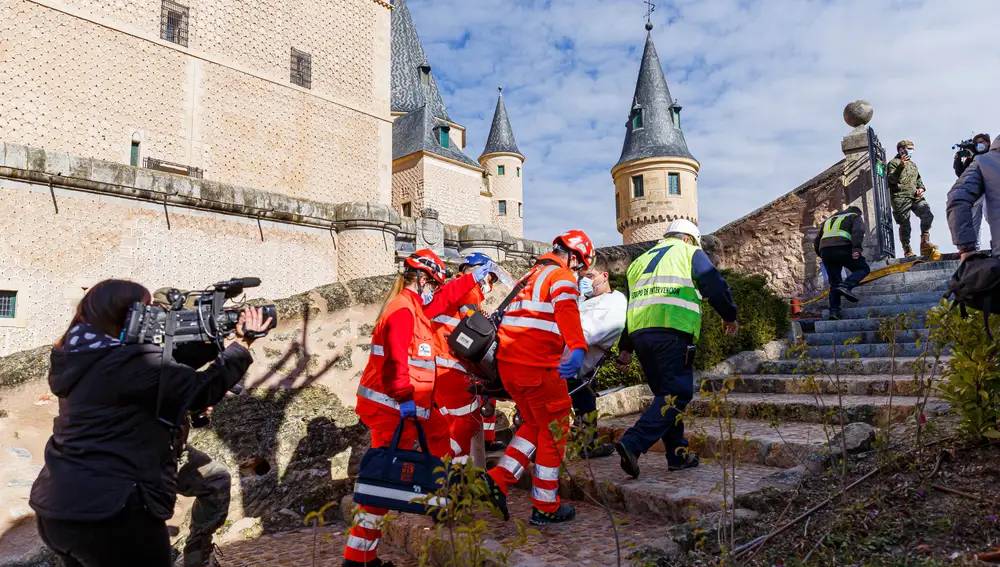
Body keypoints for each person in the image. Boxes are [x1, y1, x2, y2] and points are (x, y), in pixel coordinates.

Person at [29, 279, 269, 567]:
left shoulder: (80, 353)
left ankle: (197, 550)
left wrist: (213, 338)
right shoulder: (131, 361)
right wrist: (241, 344)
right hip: (113, 510)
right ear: (126, 315)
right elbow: (200, 390)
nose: (154, 316)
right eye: (146, 310)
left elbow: (168, 366)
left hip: (58, 507)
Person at [344, 249, 499, 567]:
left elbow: (442, 302)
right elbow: (399, 363)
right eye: (435, 285)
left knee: (443, 440)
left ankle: (442, 499)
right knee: (381, 484)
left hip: (411, 406)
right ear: (424, 280)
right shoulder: (403, 311)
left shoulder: (416, 307)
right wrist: (406, 401)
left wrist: (470, 277)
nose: (436, 293)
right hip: (390, 407)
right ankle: (358, 558)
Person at [482, 230, 593, 526]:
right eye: (580, 266)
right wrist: (579, 349)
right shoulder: (561, 276)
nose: (579, 273)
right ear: (573, 256)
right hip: (538, 368)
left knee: (534, 424)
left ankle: (499, 478)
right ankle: (545, 506)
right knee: (555, 430)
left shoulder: (529, 276)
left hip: (509, 367)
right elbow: (567, 312)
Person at [614, 219, 738, 479]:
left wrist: (625, 348)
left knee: (666, 396)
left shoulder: (638, 262)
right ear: (688, 238)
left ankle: (677, 455)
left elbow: (631, 304)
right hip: (673, 329)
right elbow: (714, 284)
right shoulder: (690, 252)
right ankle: (634, 442)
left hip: (641, 334)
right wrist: (729, 315)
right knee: (678, 393)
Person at [151, 289, 233, 567]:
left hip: (172, 451)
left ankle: (197, 556)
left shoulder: (171, 354)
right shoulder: (148, 351)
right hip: (140, 457)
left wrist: (194, 411)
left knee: (216, 480)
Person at [430, 252, 495, 465]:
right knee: (467, 422)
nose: (490, 283)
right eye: (490, 277)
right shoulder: (469, 290)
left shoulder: (449, 290)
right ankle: (446, 468)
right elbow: (473, 335)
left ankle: (456, 475)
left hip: (436, 366)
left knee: (449, 424)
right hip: (451, 368)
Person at [560, 256, 627, 459]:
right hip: (567, 363)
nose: (586, 281)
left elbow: (588, 332)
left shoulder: (614, 301)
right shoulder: (584, 301)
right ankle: (588, 444)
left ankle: (588, 444)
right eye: (583, 277)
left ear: (605, 276)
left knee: (584, 398)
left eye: (591, 276)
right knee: (584, 398)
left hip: (575, 362)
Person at [813, 207, 871, 321]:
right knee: (863, 268)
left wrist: (822, 255)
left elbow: (817, 240)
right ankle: (846, 286)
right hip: (843, 248)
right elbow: (858, 231)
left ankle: (834, 311)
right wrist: (857, 248)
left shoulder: (829, 220)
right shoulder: (854, 216)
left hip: (826, 251)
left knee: (834, 282)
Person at [948, 136, 1000, 259]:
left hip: (987, 195)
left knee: (989, 215)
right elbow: (961, 174)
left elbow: (956, 198)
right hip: (976, 194)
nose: (979, 145)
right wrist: (958, 160)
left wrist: (965, 249)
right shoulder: (979, 159)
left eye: (981, 142)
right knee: (975, 219)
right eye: (977, 143)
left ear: (988, 143)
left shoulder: (986, 159)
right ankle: (975, 246)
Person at [887, 139, 938, 258]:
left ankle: (924, 242)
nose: (911, 151)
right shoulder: (893, 163)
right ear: (901, 150)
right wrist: (901, 166)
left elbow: (918, 179)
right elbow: (891, 180)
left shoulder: (913, 164)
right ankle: (907, 249)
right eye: (909, 149)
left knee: (927, 215)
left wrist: (921, 188)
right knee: (905, 224)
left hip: (915, 196)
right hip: (900, 197)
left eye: (912, 149)